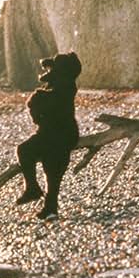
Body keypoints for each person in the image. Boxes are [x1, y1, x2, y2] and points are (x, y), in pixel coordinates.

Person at [15, 52, 83, 220]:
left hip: (57, 133)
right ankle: (50, 207)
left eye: (51, 67)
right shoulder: (60, 83)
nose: (47, 70)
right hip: (59, 133)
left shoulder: (64, 85)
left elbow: (50, 104)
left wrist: (35, 99)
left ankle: (32, 189)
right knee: (52, 170)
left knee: (26, 152)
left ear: (60, 70)